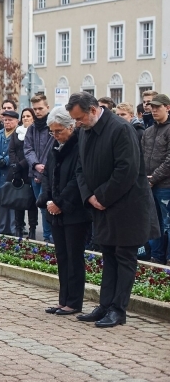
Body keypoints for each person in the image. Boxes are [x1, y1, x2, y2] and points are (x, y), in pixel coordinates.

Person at [68, 92, 159, 328]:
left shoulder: (120, 129)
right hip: (101, 204)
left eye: (79, 119)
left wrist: (102, 196)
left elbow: (126, 170)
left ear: (93, 110)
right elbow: (80, 168)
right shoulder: (86, 131)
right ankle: (105, 305)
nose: (77, 124)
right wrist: (89, 196)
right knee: (108, 255)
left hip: (127, 205)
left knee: (124, 257)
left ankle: (118, 310)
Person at [37, 106, 92, 316]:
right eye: (52, 131)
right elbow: (49, 175)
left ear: (71, 127)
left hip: (75, 211)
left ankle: (74, 302)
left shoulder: (79, 146)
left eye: (59, 131)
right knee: (61, 256)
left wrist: (60, 201)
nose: (55, 135)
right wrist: (48, 198)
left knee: (74, 256)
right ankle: (63, 299)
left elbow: (77, 181)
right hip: (55, 210)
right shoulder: (56, 146)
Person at [142, 93, 170, 265]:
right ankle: (156, 257)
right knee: (153, 224)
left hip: (165, 185)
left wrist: (154, 178)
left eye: (157, 107)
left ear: (167, 107)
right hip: (149, 185)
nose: (153, 110)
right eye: (152, 107)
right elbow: (141, 157)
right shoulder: (148, 131)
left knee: (168, 225)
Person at [24, 94, 53, 243]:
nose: (38, 111)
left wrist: (43, 170)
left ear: (47, 107)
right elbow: (27, 149)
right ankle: (48, 238)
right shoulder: (32, 129)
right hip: (34, 172)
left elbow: (52, 150)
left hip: (48, 175)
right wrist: (35, 165)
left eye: (40, 108)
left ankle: (49, 237)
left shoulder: (53, 125)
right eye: (35, 109)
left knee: (47, 206)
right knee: (40, 205)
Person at [0, 110, 19, 235]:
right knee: (0, 200)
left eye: (10, 120)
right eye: (5, 120)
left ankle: (12, 229)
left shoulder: (18, 134)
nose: (7, 122)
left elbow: (18, 152)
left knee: (11, 200)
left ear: (16, 121)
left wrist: (6, 160)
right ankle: (1, 228)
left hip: (10, 172)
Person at [9, 108, 37, 238]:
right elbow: (12, 150)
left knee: (31, 202)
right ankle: (18, 228)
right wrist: (15, 165)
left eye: (28, 116)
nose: (25, 118)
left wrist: (21, 165)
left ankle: (32, 230)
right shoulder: (17, 132)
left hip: (30, 170)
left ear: (33, 118)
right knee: (18, 200)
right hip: (18, 172)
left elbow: (33, 152)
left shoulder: (34, 132)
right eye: (24, 116)